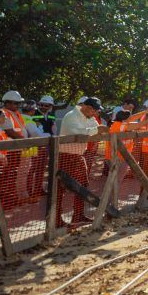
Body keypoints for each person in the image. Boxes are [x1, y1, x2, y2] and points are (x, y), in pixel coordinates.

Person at [55, 97, 106, 227]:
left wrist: (97, 130)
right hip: (66, 155)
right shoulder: (71, 116)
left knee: (82, 186)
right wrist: (97, 130)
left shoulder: (88, 117)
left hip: (78, 155)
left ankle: (78, 215)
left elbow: (96, 128)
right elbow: (77, 133)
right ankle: (56, 219)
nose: (95, 114)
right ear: (87, 107)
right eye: (93, 110)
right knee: (60, 188)